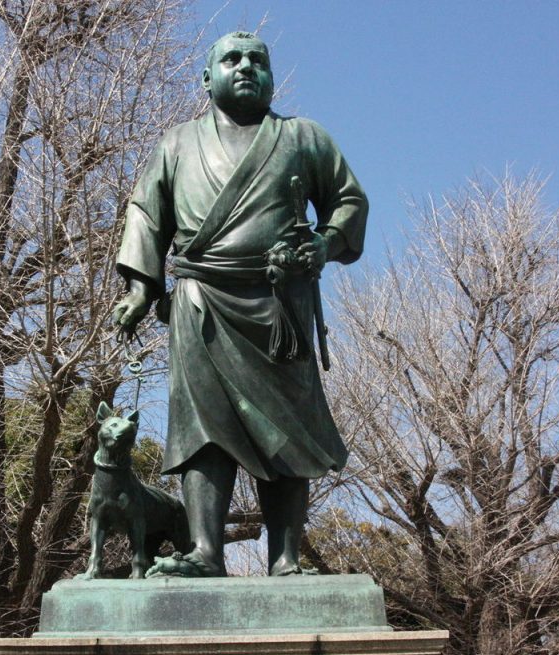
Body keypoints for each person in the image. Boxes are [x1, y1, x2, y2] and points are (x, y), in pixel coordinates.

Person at [112, 31, 367, 577]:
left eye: (258, 60)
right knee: (204, 426)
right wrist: (141, 287)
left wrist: (325, 244)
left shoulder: (303, 137)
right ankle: (205, 552)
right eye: (231, 59)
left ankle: (286, 559)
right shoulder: (176, 143)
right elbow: (146, 213)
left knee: (288, 430)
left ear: (272, 76)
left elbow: (348, 200)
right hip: (202, 299)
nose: (246, 66)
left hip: (281, 304)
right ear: (207, 78)